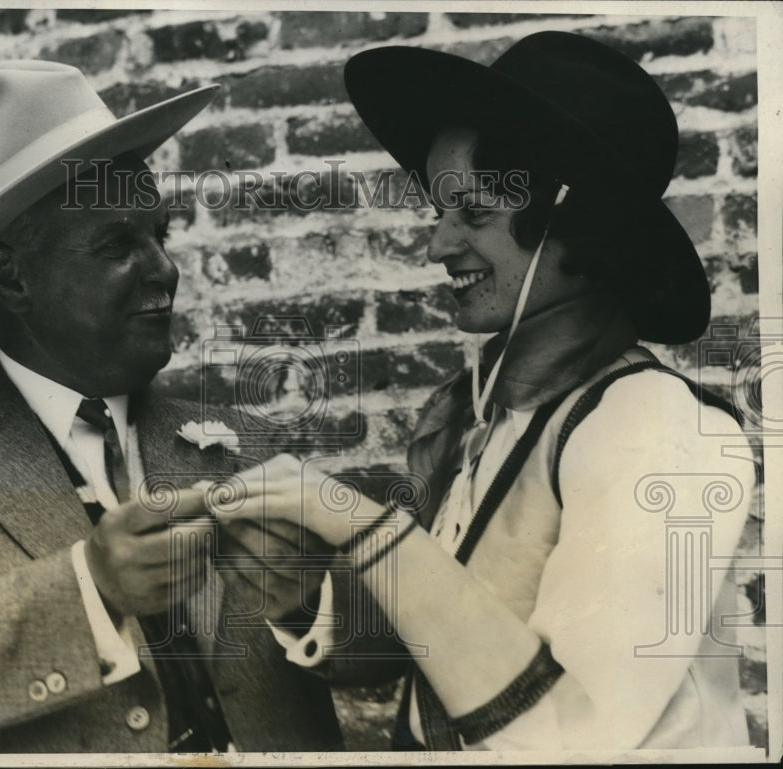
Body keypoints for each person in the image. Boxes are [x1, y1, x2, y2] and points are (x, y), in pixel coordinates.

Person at [215, 32, 757, 750]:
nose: (438, 247)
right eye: (441, 214)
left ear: (578, 226)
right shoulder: (494, 412)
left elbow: (572, 725)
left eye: (473, 214)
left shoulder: (654, 427)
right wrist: (300, 591)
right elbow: (456, 638)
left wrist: (358, 524)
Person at [0, 60, 346, 753]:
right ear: (10, 276)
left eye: (162, 234)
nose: (165, 268)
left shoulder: (246, 440)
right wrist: (87, 589)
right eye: (118, 243)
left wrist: (309, 603)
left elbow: (394, 653)